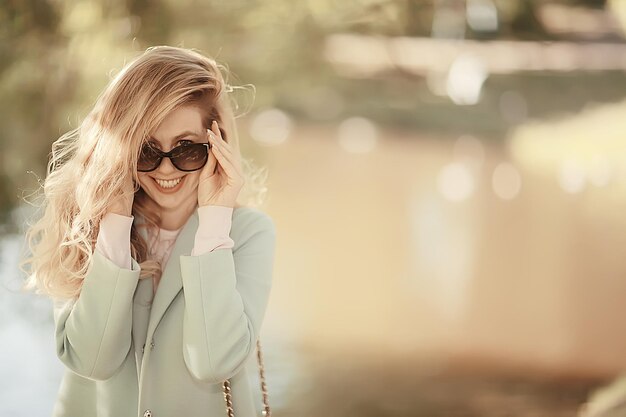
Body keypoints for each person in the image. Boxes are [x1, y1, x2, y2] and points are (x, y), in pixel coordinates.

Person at [20, 45, 277, 417]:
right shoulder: (83, 227)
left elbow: (214, 362)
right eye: (146, 150)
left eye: (187, 149)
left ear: (216, 143)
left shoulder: (249, 233)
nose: (166, 169)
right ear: (120, 150)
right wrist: (113, 219)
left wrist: (215, 216)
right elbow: (91, 363)